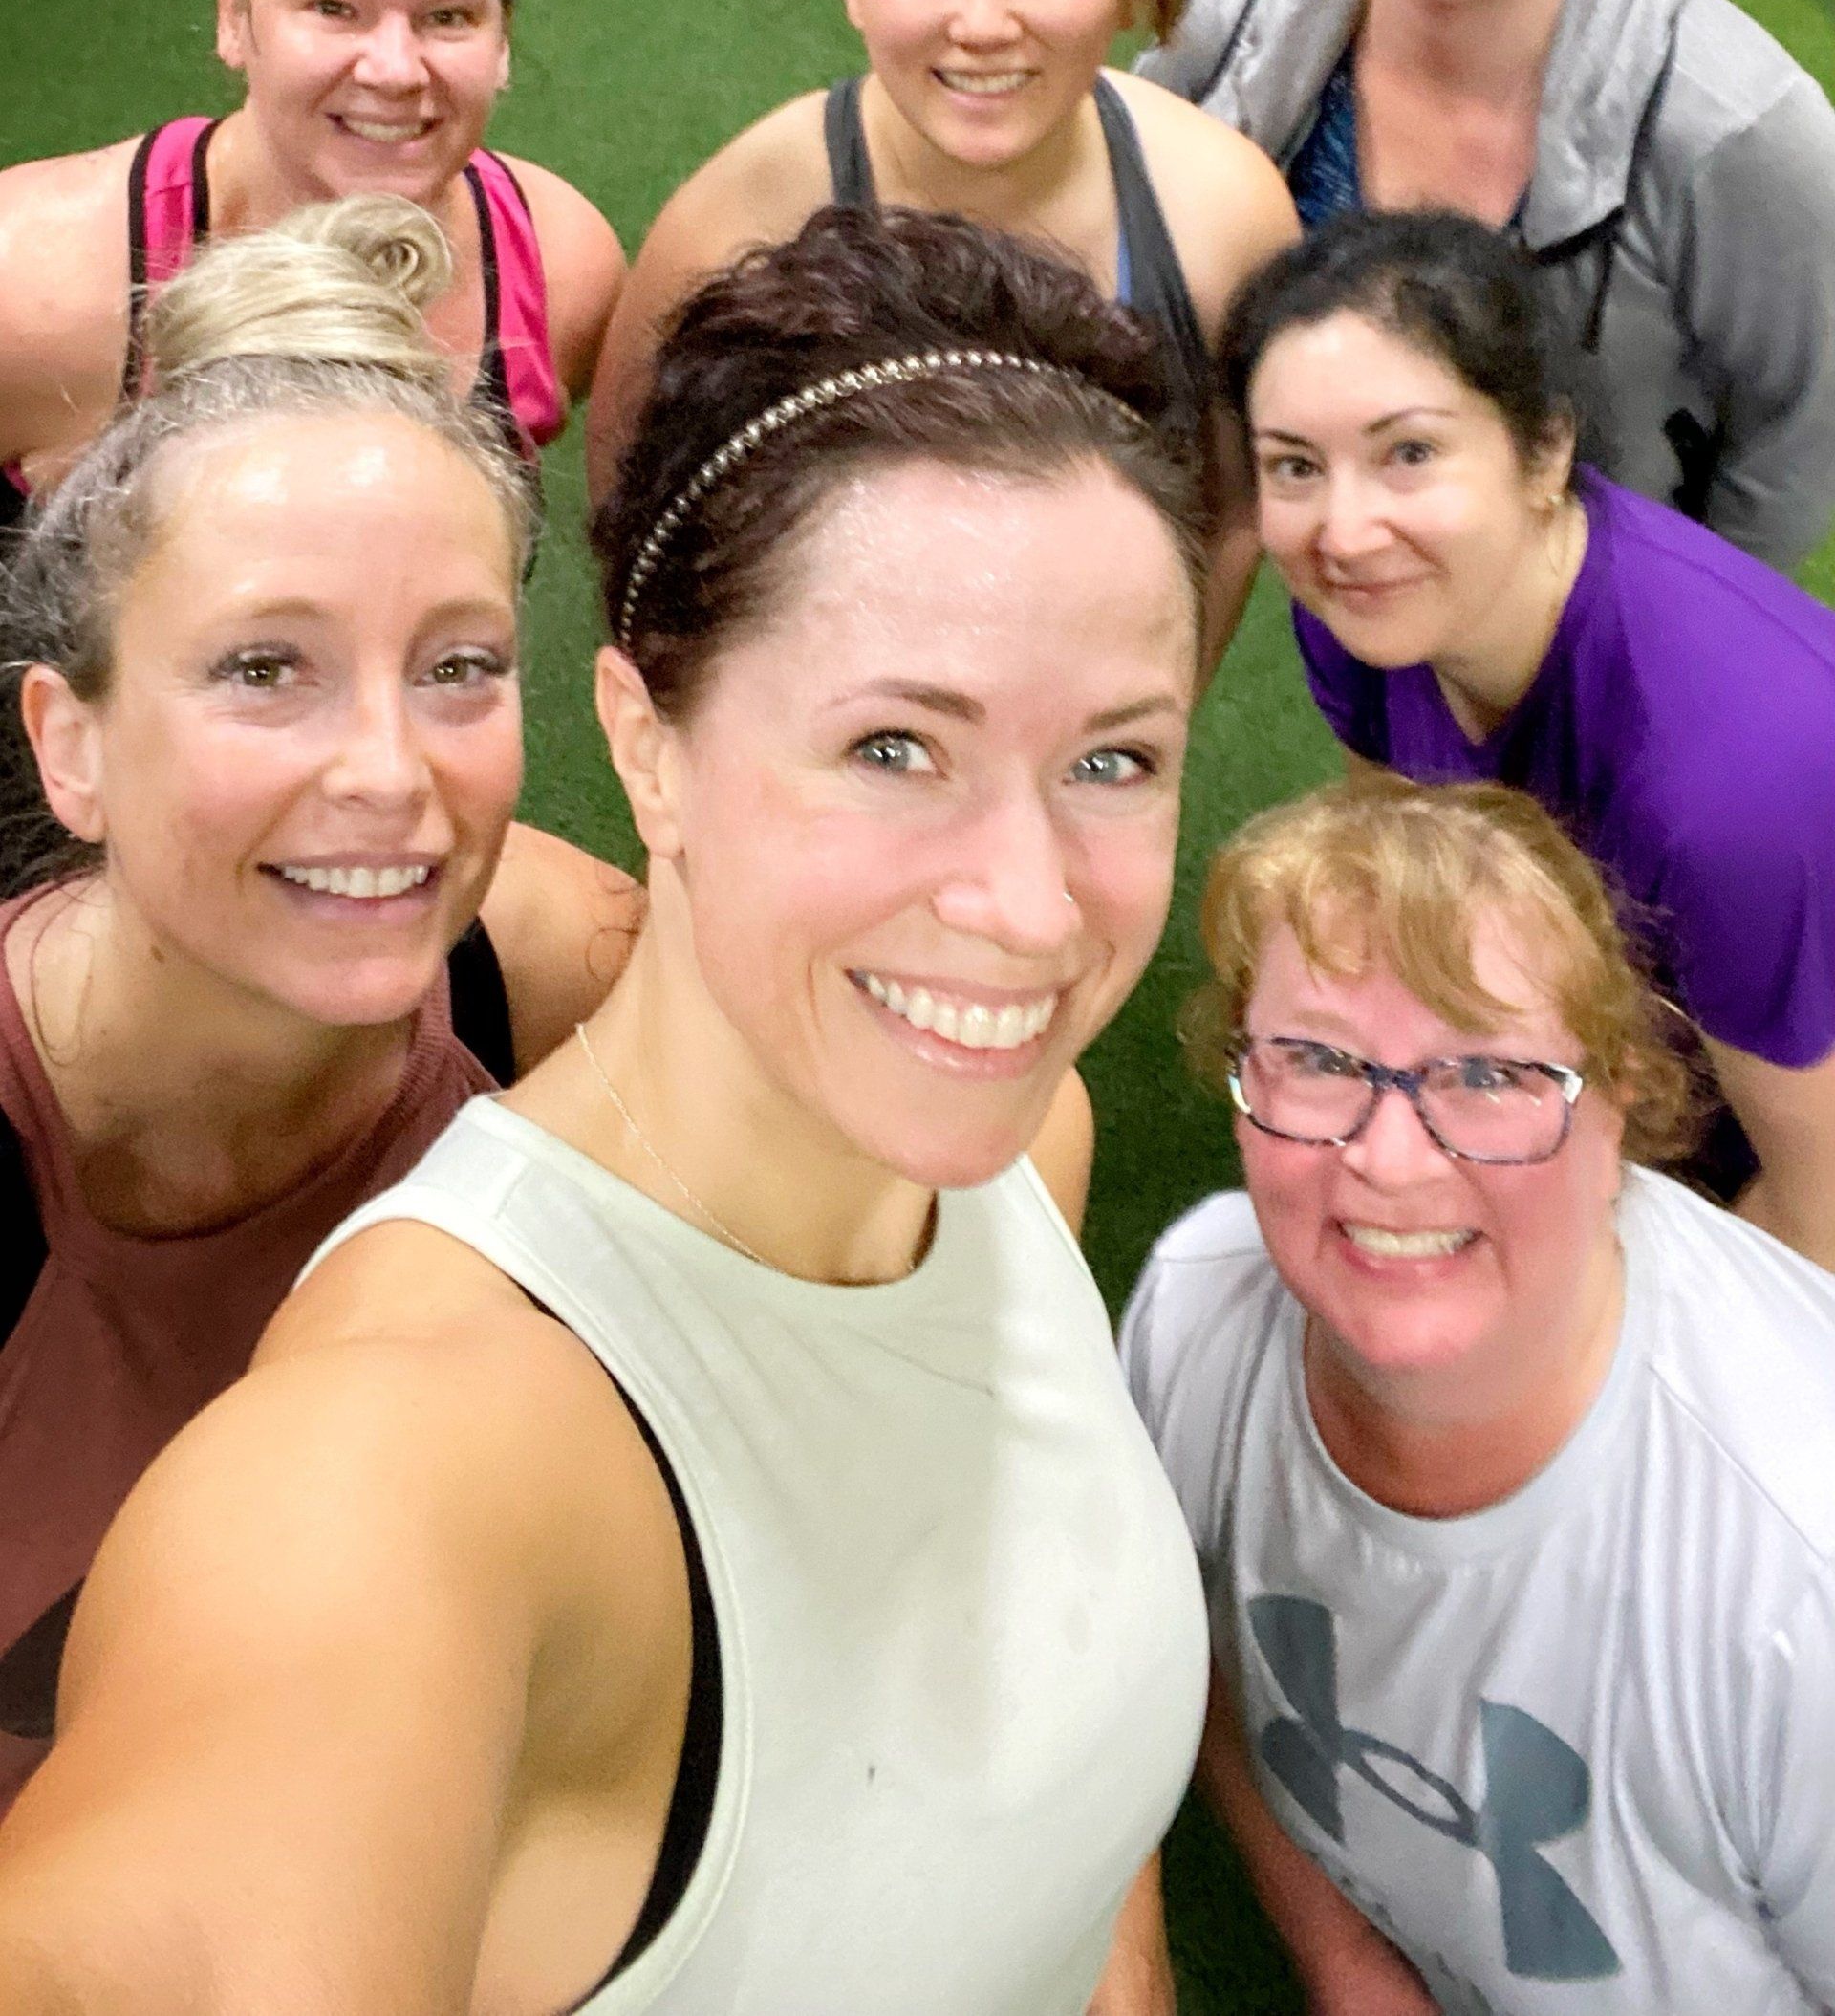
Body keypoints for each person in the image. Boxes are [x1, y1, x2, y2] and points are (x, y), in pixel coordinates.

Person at [0, 205, 1217, 2016]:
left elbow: (1056, 1748)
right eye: (897, 745)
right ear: (648, 742)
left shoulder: (1013, 1152)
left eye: (1112, 755)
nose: (1035, 906)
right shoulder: (381, 1478)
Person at [0, 198, 639, 1814]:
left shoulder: (561, 982)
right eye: (263, 666)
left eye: (456, 665)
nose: (388, 775)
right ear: (68, 740)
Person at [1119, 773, 1835, 2016]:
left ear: (1617, 1106)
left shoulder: (1795, 1571)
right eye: (1318, 1060)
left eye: (1490, 1076)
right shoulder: (1197, 1315)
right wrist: (1343, 1959)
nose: (1389, 1161)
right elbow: (1192, 1642)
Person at [587, 0, 1297, 632]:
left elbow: (1232, 515)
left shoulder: (1222, 213)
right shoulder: (739, 223)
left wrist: (1145, 713)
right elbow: (635, 517)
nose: (982, 23)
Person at [1219, 206, 1835, 1270]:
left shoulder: (1726, 785)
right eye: (1295, 466)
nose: (1344, 531)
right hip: (1657, 1075)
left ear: (1546, 449)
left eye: (1409, 452)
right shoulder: (1369, 614)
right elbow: (1419, 900)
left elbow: (1819, 1217)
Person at [1141, 0, 1835, 571]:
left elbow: (1804, 417)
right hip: (1354, 573)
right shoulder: (1247, 28)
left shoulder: (1738, 129)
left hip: (1590, 599)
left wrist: (1687, 618)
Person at [0, 0, 626, 513]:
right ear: (233, 14)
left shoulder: (562, 274)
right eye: (334, 7)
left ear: (503, 40)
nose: (394, 70)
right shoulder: (33, 282)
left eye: (449, 15)